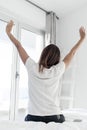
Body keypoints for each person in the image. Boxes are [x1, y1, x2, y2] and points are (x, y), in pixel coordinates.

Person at [6, 20, 86, 123]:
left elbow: (18, 46)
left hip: (33, 117)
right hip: (54, 116)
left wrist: (8, 32)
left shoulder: (32, 67)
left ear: (43, 54)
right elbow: (72, 52)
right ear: (57, 59)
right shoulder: (58, 70)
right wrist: (82, 38)